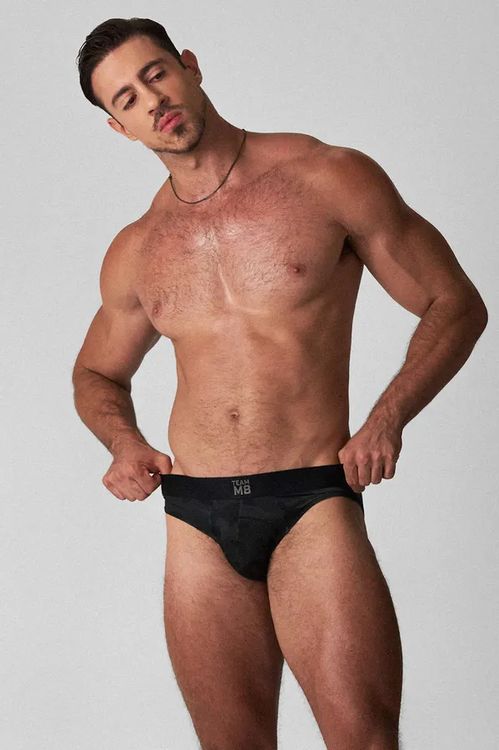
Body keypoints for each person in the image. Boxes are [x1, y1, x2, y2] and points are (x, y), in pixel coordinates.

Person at [72, 17, 488, 750]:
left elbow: (454, 303)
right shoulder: (137, 248)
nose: (152, 100)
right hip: (195, 516)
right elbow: (96, 371)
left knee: (363, 740)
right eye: (127, 98)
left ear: (189, 65)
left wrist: (386, 417)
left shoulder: (325, 176)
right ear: (117, 127)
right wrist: (122, 441)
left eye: (156, 73)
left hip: (311, 499)